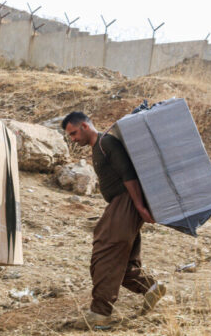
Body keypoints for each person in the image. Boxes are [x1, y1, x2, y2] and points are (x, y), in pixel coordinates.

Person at [62, 112, 166, 329]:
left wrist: (139, 206)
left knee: (106, 250)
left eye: (73, 133)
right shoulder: (98, 147)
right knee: (123, 259)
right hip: (121, 204)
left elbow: (128, 175)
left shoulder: (106, 142)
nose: (73, 139)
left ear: (84, 126)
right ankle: (150, 287)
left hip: (126, 202)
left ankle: (100, 314)